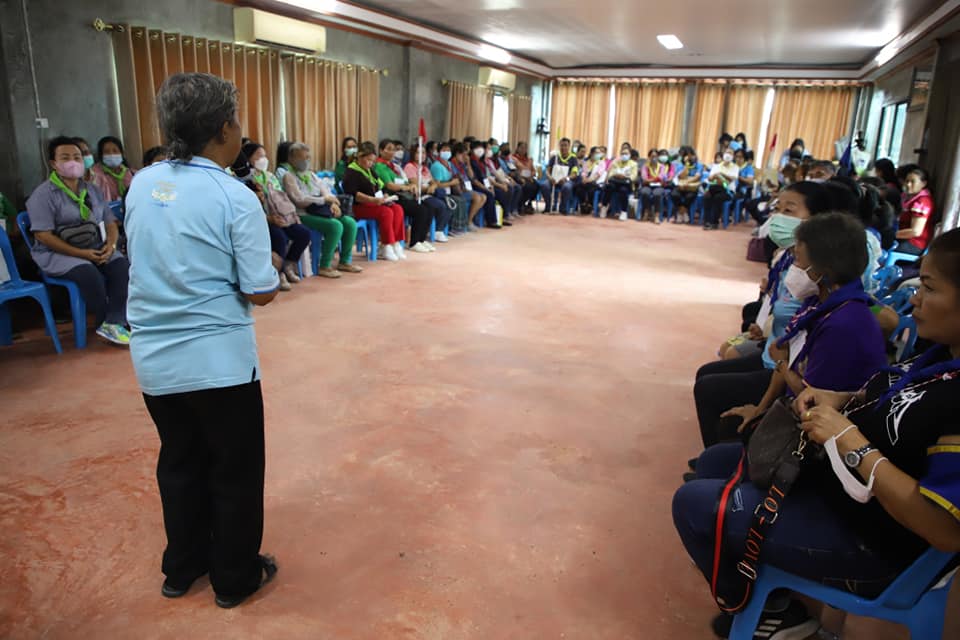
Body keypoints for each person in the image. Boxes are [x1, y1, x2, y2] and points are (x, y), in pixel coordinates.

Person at [674, 226, 960, 638]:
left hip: (872, 543)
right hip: (839, 490)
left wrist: (851, 442)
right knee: (715, 462)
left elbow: (945, 530)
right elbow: (896, 402)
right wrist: (843, 399)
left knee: (693, 504)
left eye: (929, 288)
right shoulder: (938, 356)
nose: (915, 297)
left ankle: (778, 610)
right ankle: (769, 588)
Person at [125, 73, 279, 609]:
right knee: (234, 470)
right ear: (223, 128)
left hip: (154, 359)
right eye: (236, 120)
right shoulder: (234, 195)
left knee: (180, 461)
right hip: (219, 363)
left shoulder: (142, 183)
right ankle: (234, 577)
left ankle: (182, 566)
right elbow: (259, 291)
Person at [693, 182, 833, 449]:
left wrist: (763, 404)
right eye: (777, 209)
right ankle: (723, 451)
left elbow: (795, 359)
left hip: (781, 369)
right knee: (709, 373)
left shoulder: (816, 279)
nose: (779, 218)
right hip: (774, 356)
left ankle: (725, 454)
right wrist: (764, 327)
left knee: (710, 385)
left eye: (789, 210)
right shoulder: (789, 258)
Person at [25, 136, 130, 345]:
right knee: (88, 273)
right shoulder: (43, 195)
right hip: (57, 254)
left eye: (77, 157)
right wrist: (82, 254)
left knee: (121, 266)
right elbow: (43, 235)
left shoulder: (92, 190)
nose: (72, 162)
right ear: (54, 163)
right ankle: (105, 321)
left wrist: (110, 246)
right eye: (65, 158)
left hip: (94, 247)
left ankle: (114, 320)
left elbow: (110, 222)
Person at [281, 142, 363, 278]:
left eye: (308, 157)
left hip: (320, 211)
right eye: (302, 157)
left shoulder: (311, 174)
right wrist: (323, 200)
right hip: (303, 214)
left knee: (350, 222)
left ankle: (345, 262)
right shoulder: (289, 176)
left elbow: (325, 190)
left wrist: (333, 203)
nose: (306, 160)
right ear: (291, 159)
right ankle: (325, 265)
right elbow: (299, 200)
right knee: (335, 226)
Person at [243, 142, 311, 289]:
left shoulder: (270, 176)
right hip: (260, 220)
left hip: (279, 216)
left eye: (265, 156)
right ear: (248, 158)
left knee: (303, 233)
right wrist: (269, 218)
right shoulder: (245, 179)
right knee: (280, 237)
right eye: (259, 156)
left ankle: (289, 264)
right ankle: (278, 273)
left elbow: (281, 199)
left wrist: (288, 216)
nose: (263, 159)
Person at [342, 141, 407, 262]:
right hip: (358, 206)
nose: (370, 163)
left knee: (397, 209)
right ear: (359, 156)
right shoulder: (351, 171)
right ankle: (386, 245)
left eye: (372, 161)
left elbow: (379, 186)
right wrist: (372, 200)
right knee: (386, 212)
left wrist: (385, 195)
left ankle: (396, 243)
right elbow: (354, 194)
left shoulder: (370, 170)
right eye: (368, 160)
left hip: (374, 203)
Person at [373, 139, 435, 252]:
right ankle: (413, 242)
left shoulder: (394, 166)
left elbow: (404, 181)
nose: (392, 152)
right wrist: (406, 187)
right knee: (421, 210)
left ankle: (421, 239)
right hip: (393, 196)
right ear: (381, 151)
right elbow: (390, 185)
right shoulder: (379, 166)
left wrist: (411, 186)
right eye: (388, 149)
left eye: (393, 150)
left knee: (429, 207)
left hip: (403, 194)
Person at [404, 142, 454, 243]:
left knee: (449, 203)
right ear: (413, 154)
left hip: (429, 193)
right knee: (438, 205)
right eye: (418, 152)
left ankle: (439, 229)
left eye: (423, 153)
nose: (421, 155)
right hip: (419, 195)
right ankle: (436, 231)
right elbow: (416, 185)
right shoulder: (410, 167)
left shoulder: (425, 168)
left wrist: (433, 186)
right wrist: (428, 188)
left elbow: (434, 182)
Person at [430, 142, 476, 233]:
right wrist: (451, 183)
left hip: (450, 190)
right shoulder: (437, 166)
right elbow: (437, 184)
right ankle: (453, 228)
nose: (447, 152)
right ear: (439, 152)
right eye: (444, 150)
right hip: (441, 192)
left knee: (461, 199)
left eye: (448, 150)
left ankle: (461, 226)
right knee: (458, 201)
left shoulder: (449, 164)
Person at [897, 168, 935, 256]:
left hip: (914, 244)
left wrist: (892, 235)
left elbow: (915, 231)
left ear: (923, 183)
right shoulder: (910, 198)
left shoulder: (923, 202)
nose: (908, 184)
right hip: (904, 239)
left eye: (913, 181)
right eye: (907, 181)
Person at [539, 137, 580, 213]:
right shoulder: (555, 157)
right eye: (562, 145)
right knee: (544, 185)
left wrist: (566, 178)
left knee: (567, 187)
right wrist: (550, 177)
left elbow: (574, 174)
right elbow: (547, 170)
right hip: (553, 179)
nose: (563, 147)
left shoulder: (573, 159)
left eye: (565, 145)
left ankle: (562, 207)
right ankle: (548, 206)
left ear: (569, 146)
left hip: (566, 180)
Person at [599, 143, 638, 220]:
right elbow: (610, 174)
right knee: (609, 186)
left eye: (626, 154)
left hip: (626, 184)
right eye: (622, 154)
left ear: (630, 155)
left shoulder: (633, 164)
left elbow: (634, 176)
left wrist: (625, 177)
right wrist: (616, 175)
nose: (624, 155)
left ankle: (624, 212)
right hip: (615, 182)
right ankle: (604, 207)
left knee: (623, 190)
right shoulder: (616, 162)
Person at [702, 149, 739, 230]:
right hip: (714, 187)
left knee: (718, 198)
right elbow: (710, 178)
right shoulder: (716, 166)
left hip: (727, 191)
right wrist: (715, 176)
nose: (728, 155)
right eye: (726, 152)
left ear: (733, 156)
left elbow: (732, 179)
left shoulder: (735, 167)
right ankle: (706, 221)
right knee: (706, 196)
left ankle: (714, 222)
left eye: (730, 153)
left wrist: (722, 174)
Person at [90, 135, 135, 202]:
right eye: (106, 152)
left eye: (115, 151)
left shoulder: (131, 173)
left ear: (122, 153)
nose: (111, 154)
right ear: (101, 155)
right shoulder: (94, 174)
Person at [639, 148, 672, 222]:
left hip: (658, 186)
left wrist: (651, 179)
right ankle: (646, 213)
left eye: (656, 156)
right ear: (649, 157)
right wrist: (655, 179)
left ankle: (657, 215)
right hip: (647, 185)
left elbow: (662, 177)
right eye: (652, 156)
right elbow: (644, 178)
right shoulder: (645, 166)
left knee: (657, 194)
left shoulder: (662, 166)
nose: (654, 158)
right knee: (645, 192)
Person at [671, 148, 703, 224]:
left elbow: (697, 177)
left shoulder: (699, 165)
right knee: (674, 194)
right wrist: (686, 165)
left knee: (690, 196)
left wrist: (687, 182)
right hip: (681, 185)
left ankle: (680, 213)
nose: (691, 157)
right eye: (688, 156)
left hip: (692, 186)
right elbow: (680, 176)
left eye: (692, 155)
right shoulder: (680, 165)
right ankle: (684, 213)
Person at [576, 146, 606, 215]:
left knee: (591, 187)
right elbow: (584, 173)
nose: (599, 154)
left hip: (597, 182)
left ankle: (590, 204)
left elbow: (598, 174)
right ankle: (583, 203)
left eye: (599, 153)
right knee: (579, 186)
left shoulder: (601, 163)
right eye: (597, 153)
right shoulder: (586, 162)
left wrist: (589, 180)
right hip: (587, 182)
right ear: (592, 153)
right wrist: (584, 178)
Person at [511, 142, 540, 212]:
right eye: (521, 148)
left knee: (537, 185)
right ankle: (521, 204)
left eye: (525, 148)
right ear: (517, 148)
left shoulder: (528, 159)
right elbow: (520, 171)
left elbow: (534, 171)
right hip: (519, 178)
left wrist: (531, 175)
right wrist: (528, 176)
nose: (523, 150)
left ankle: (529, 203)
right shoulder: (514, 158)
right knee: (528, 186)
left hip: (529, 178)